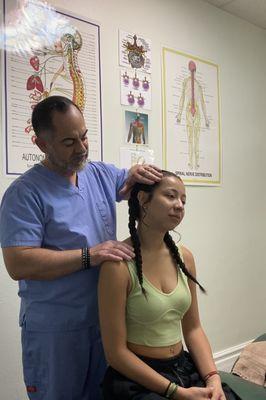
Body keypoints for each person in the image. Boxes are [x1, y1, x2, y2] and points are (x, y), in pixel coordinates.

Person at [0, 95, 162, 400]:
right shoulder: (24, 194)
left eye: (84, 136)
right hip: (56, 330)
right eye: (69, 142)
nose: (82, 148)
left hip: (104, 323)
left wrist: (144, 178)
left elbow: (129, 183)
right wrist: (92, 255)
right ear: (41, 144)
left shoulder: (97, 174)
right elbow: (18, 263)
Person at [98, 171, 240, 400]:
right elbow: (115, 353)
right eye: (171, 196)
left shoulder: (185, 258)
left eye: (183, 200)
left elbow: (193, 329)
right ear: (143, 200)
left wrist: (213, 378)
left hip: (181, 367)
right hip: (137, 378)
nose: (179, 205)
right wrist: (177, 393)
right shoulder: (118, 266)